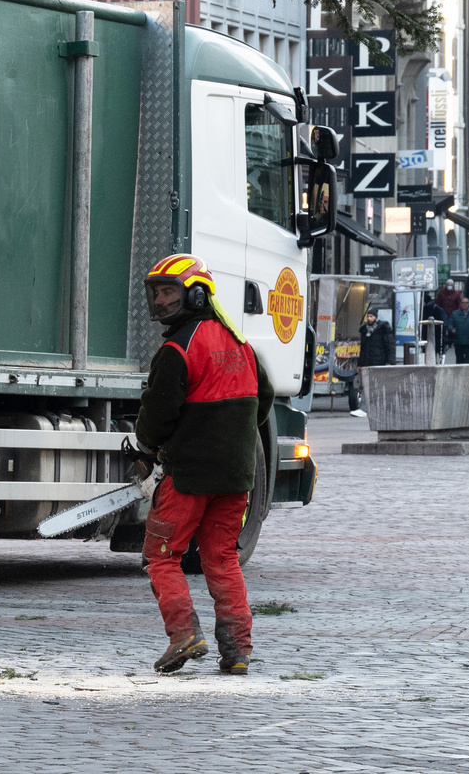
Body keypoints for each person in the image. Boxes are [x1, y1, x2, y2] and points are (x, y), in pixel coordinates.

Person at [135, 254, 273, 677]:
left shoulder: (177, 348)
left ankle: (183, 635)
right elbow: (263, 400)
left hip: (189, 475)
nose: (160, 301)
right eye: (157, 293)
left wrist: (148, 448)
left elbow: (156, 416)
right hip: (235, 477)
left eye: (169, 292)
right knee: (222, 558)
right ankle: (237, 651)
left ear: (196, 294)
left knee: (162, 555)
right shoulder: (241, 343)